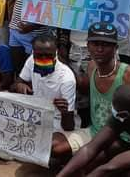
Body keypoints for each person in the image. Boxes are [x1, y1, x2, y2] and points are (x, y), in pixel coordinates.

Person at [52, 22, 130, 163]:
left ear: (115, 48)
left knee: (87, 163)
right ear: (88, 46)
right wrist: (58, 65)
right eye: (95, 44)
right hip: (94, 131)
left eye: (105, 45)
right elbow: (83, 85)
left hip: (121, 138)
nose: (99, 49)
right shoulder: (92, 67)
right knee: (55, 146)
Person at [12, 35, 79, 166]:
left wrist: (65, 111)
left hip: (58, 123)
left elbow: (69, 126)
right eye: (39, 55)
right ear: (33, 52)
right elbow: (17, 83)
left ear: (56, 53)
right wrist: (20, 85)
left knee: (52, 147)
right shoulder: (31, 60)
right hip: (36, 116)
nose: (43, 59)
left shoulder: (67, 78)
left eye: (48, 56)